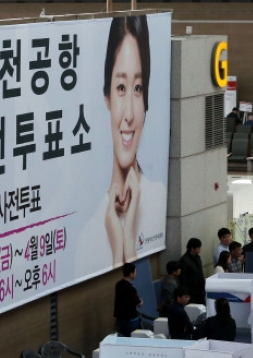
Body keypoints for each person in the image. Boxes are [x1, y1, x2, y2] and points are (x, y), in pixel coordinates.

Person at [102, 15, 165, 267]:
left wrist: (127, 236)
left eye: (138, 88)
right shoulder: (88, 230)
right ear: (106, 96)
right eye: (120, 88)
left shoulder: (158, 197)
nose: (129, 115)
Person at [114, 263, 143, 337]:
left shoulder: (118, 285)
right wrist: (140, 301)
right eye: (135, 272)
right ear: (131, 274)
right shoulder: (131, 289)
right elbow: (138, 303)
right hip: (131, 320)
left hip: (120, 319)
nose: (136, 274)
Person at [179, 238, 206, 305]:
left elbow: (200, 273)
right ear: (192, 249)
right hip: (191, 292)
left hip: (199, 290)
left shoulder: (198, 258)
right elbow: (183, 278)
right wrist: (186, 293)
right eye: (198, 248)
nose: (200, 249)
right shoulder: (184, 260)